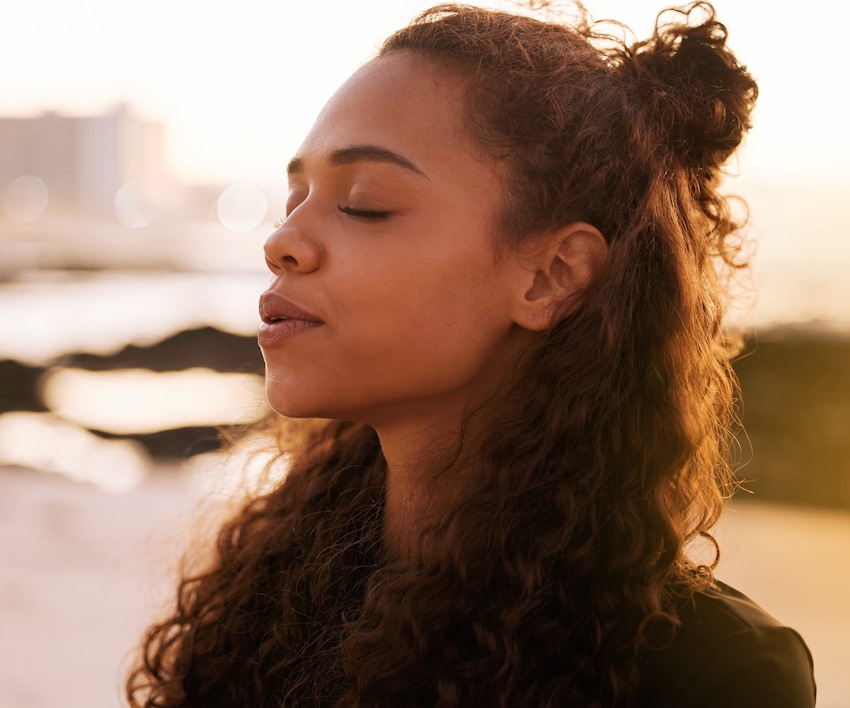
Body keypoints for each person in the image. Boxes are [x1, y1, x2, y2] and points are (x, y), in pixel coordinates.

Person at [127, 2, 816, 706]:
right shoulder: (272, 597)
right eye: (295, 197)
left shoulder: (713, 676)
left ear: (552, 276)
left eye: (365, 203)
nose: (281, 242)